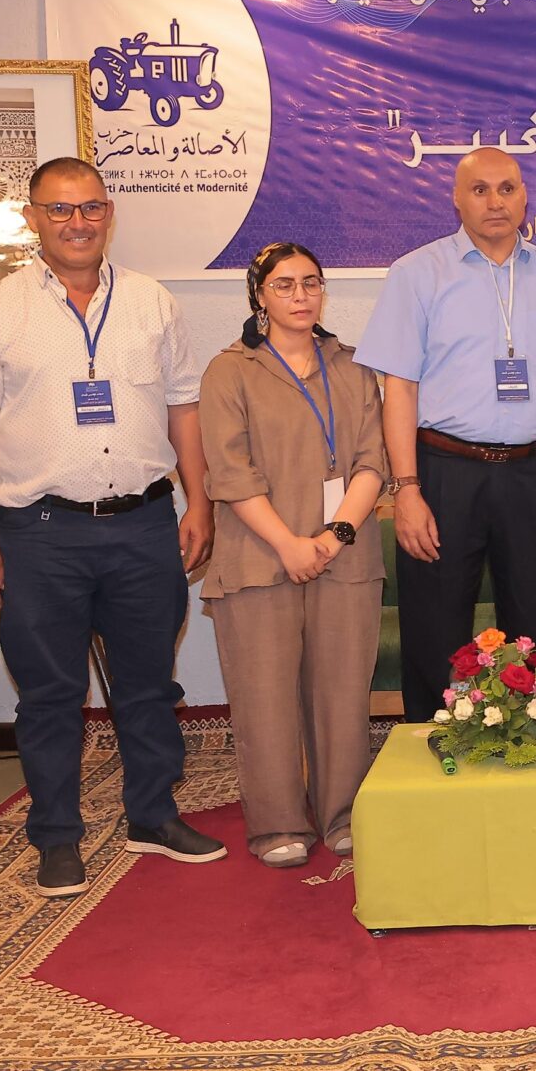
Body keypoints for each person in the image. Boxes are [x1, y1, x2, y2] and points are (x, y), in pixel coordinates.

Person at [0, 158, 219, 898]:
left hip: (144, 523)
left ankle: (153, 817)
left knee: (148, 684)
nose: (78, 223)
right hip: (41, 532)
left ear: (109, 213)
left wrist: (199, 502)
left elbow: (183, 408)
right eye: (60, 209)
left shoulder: (152, 302)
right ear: (32, 217)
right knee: (49, 693)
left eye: (91, 208)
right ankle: (57, 837)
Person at [358, 147, 536, 725]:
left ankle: (532, 744)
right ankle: (430, 746)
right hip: (445, 471)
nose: (496, 201)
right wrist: (406, 490)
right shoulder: (417, 275)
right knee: (434, 625)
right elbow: (399, 391)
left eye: (507, 188)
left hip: (535, 472)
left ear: (525, 197)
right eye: (480, 189)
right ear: (457, 199)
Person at [198, 243, 386, 866]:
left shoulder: (354, 367)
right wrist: (288, 544)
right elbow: (229, 473)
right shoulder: (230, 371)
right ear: (259, 296)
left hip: (345, 557)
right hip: (259, 557)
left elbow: (372, 461)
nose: (301, 295)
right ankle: (278, 825)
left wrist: (335, 536)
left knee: (342, 696)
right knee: (265, 699)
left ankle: (343, 816)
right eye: (284, 285)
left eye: (311, 282)